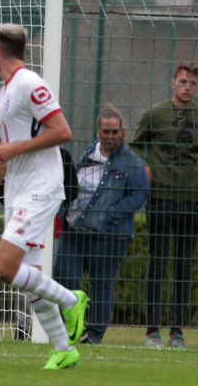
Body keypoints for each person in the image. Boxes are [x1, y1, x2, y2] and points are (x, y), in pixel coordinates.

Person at [0, 23, 88, 370]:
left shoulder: (29, 83)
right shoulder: (4, 92)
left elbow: (63, 131)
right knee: (31, 278)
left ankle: (71, 299)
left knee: (3, 268)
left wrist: (15, 148)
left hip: (40, 189)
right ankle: (64, 348)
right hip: (19, 192)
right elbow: (5, 153)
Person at [131, 62, 198, 349]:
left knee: (183, 267)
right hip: (161, 198)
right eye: (183, 82)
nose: (187, 87)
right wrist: (146, 165)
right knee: (158, 264)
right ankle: (152, 330)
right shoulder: (156, 113)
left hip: (191, 201)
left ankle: (177, 331)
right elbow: (137, 144)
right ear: (172, 83)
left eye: (192, 83)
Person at [54, 105, 149, 344]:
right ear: (98, 132)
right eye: (106, 131)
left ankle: (94, 334)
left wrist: (111, 214)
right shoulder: (88, 154)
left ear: (123, 133)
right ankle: (77, 322)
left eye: (115, 132)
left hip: (110, 235)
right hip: (75, 229)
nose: (110, 136)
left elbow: (139, 195)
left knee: (102, 284)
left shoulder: (131, 163)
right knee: (64, 277)